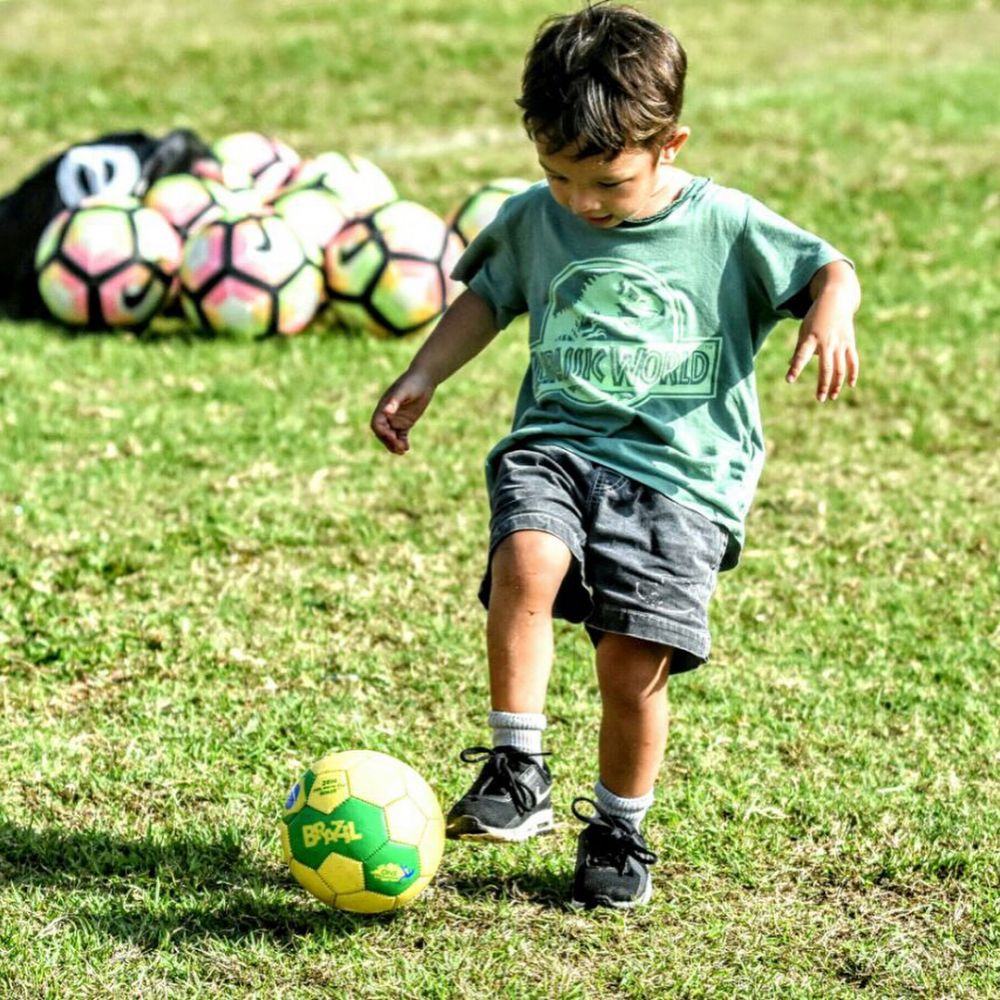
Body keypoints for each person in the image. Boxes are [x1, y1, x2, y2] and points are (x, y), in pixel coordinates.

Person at [371, 1, 860, 910]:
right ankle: (517, 766)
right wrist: (424, 372)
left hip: (679, 477)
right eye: (558, 177)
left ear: (669, 144)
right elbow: (488, 295)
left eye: (607, 183)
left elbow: (830, 269)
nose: (581, 204)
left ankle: (618, 829)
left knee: (630, 667)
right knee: (526, 559)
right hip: (557, 443)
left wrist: (830, 311)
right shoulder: (535, 218)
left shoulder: (726, 223)